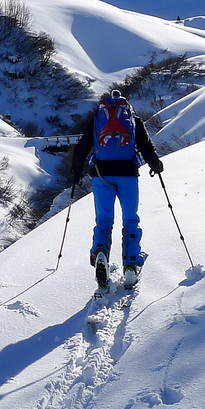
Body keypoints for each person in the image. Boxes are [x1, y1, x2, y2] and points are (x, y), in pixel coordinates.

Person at [67, 90, 163, 289]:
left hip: (101, 174)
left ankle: (101, 252)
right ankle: (131, 264)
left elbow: (82, 147)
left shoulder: (96, 120)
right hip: (128, 174)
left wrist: (77, 170)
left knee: (103, 219)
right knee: (130, 218)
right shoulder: (134, 120)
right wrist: (156, 165)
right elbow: (146, 147)